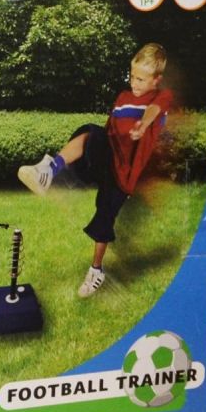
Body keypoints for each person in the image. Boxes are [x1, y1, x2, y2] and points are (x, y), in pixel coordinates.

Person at [17, 43, 173, 298]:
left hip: (125, 175)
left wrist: (144, 125)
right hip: (109, 157)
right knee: (91, 132)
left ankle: (96, 270)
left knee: (104, 216)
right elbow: (109, 130)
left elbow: (154, 111)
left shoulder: (161, 97)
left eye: (141, 79)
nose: (134, 83)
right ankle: (47, 171)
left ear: (156, 80)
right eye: (132, 76)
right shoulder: (122, 98)